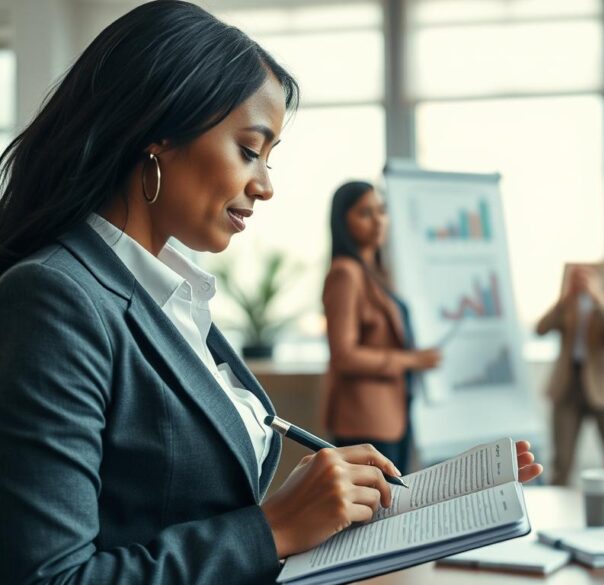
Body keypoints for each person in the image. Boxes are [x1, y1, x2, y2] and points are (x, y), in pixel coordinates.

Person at [0, 3, 542, 584]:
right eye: (249, 150)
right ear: (156, 136)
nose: (265, 186)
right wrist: (274, 527)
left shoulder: (174, 297)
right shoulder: (55, 297)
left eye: (270, 158)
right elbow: (49, 578)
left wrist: (338, 507)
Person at [323, 181, 441, 472]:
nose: (378, 221)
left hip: (394, 414)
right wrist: (412, 360)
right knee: (373, 513)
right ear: (343, 222)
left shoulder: (376, 272)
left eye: (381, 211)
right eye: (365, 213)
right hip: (365, 419)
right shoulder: (345, 274)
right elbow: (344, 355)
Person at [536, 265, 604, 486]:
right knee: (561, 463)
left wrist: (598, 297)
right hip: (569, 387)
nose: (581, 283)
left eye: (586, 278)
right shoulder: (567, 306)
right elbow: (540, 329)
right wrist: (564, 300)